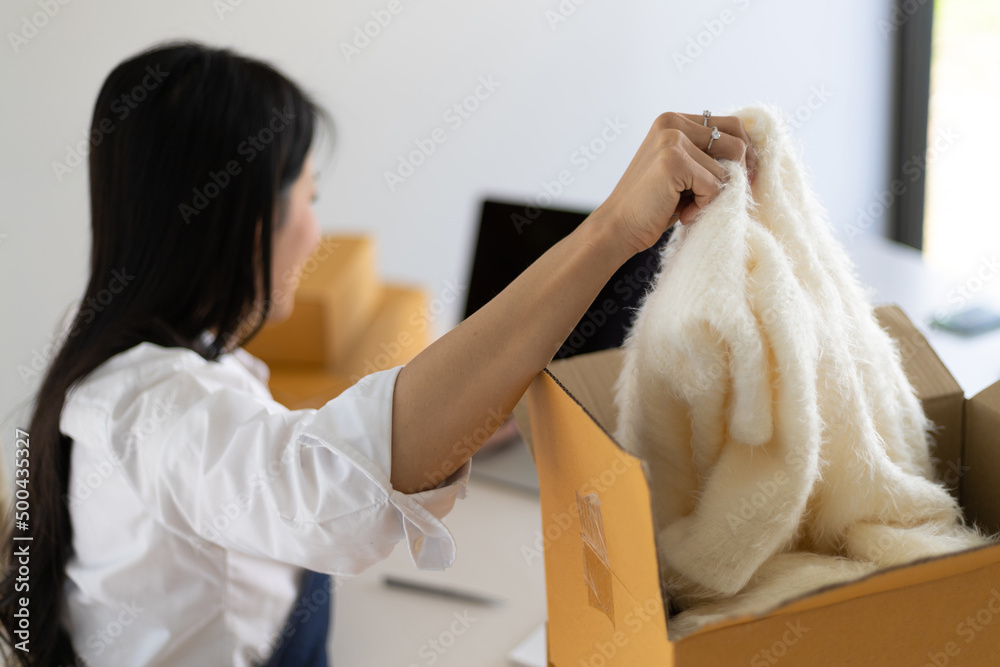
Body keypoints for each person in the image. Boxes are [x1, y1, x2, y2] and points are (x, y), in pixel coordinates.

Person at [0, 41, 756, 666]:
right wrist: (611, 230)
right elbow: (325, 485)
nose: (317, 232)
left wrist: (463, 416)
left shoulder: (126, 352)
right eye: (311, 195)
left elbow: (258, 454)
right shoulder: (149, 407)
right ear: (244, 218)